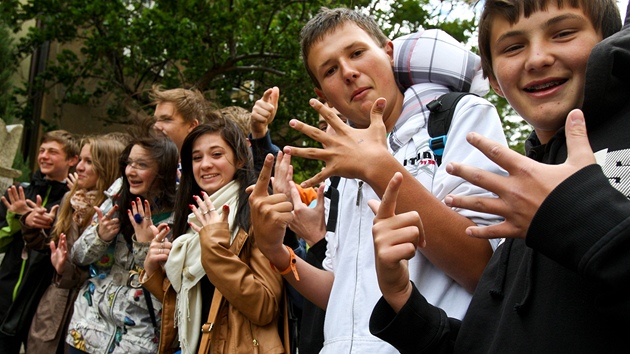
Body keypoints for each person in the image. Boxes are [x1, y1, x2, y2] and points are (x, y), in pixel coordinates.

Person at [368, 0, 627, 352]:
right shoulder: (520, 190)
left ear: (610, 40)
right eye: (514, 47)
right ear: (493, 80)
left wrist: (574, 211)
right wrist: (402, 298)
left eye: (563, 33)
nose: (537, 59)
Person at [249, 7, 508, 353]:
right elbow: (342, 293)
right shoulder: (339, 172)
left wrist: (380, 170)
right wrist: (275, 252)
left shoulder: (459, 116)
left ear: (387, 52)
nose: (349, 72)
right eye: (330, 70)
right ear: (322, 93)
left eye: (357, 53)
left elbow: (485, 269)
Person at [141, 119, 285, 354]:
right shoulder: (192, 217)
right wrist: (153, 272)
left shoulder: (255, 212)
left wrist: (214, 248)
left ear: (239, 160)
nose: (205, 165)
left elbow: (264, 306)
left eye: (216, 154)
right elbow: (188, 303)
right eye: (197, 158)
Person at [66, 135, 178, 353]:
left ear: (163, 171)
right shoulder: (115, 201)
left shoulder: (179, 217)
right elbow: (77, 256)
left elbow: (167, 285)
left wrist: (145, 246)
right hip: (88, 329)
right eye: (129, 163)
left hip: (137, 340)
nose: (130, 171)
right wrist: (100, 236)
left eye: (142, 165)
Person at [22, 136, 125, 353]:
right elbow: (53, 246)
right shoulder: (71, 198)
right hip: (55, 307)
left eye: (89, 161)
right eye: (81, 160)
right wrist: (31, 224)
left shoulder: (114, 211)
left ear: (107, 166)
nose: (79, 167)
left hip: (90, 312)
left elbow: (102, 269)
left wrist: (66, 269)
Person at [0, 130, 79, 354]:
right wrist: (18, 218)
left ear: (71, 160)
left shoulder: (73, 200)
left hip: (41, 299)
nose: (44, 156)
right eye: (42, 150)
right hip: (6, 292)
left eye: (53, 152)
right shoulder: (19, 191)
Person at [151, 85, 213, 153]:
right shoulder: (148, 158)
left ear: (192, 125)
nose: (156, 126)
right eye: (155, 120)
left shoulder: (206, 162)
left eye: (166, 120)